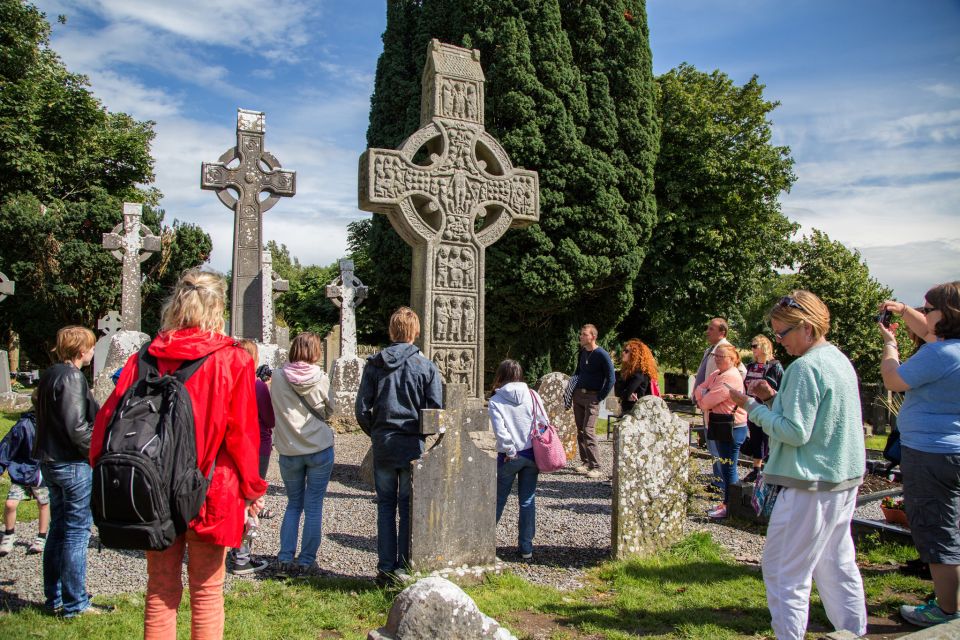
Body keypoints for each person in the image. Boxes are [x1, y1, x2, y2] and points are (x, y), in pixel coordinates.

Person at [92, 270, 266, 638]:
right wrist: (252, 489)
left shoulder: (146, 357)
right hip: (211, 487)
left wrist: (110, 474)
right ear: (218, 306)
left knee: (160, 590)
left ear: (177, 303)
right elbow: (242, 437)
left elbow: (108, 421)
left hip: (151, 484)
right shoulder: (232, 360)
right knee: (206, 591)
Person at [729, 291, 867, 640]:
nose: (779, 341)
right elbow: (818, 419)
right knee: (836, 566)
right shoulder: (836, 359)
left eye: (783, 333)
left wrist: (751, 406)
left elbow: (795, 432)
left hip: (808, 483)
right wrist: (773, 398)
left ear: (806, 328)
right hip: (840, 479)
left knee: (783, 572)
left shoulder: (804, 368)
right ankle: (854, 632)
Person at [878, 281, 960, 628]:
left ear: (948, 313)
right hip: (951, 450)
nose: (922, 315)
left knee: (937, 530)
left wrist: (890, 346)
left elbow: (893, 381)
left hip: (930, 453)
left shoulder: (938, 355)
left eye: (928, 309)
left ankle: (946, 611)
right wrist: (902, 310)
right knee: (953, 524)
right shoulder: (952, 350)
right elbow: (928, 332)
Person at [355, 307, 442, 586]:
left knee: (385, 506)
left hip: (384, 443)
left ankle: (385, 568)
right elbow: (434, 414)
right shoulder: (426, 367)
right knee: (406, 507)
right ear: (415, 332)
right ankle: (404, 567)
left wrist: (377, 432)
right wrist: (420, 435)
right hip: (410, 444)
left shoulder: (375, 364)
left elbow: (361, 409)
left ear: (392, 331)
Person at [34, 325, 102, 617]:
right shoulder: (73, 377)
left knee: (58, 530)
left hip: (50, 460)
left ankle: (56, 598)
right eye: (90, 346)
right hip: (72, 462)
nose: (92, 351)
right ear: (80, 350)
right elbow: (76, 428)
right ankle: (76, 603)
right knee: (76, 533)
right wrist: (96, 452)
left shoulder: (49, 374)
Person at [270, 331, 335, 577]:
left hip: (289, 449)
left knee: (293, 504)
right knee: (314, 506)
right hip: (319, 448)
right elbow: (330, 411)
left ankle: (285, 559)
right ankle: (306, 561)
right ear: (315, 352)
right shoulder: (321, 378)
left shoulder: (277, 377)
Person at [489, 359, 544, 561]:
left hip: (509, 457)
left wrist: (511, 451)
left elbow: (500, 432)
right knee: (527, 501)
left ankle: (484, 543)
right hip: (532, 455)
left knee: (498, 500)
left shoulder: (496, 400)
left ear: (501, 375)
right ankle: (526, 548)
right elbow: (543, 422)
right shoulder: (533, 395)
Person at [227, 339, 273, 576]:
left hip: (231, 448)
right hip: (257, 447)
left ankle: (234, 550)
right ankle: (242, 557)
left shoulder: (226, 382)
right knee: (252, 502)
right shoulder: (257, 385)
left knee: (237, 500)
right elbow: (270, 419)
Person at [693, 343, 747, 519]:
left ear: (732, 359)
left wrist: (704, 396)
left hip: (731, 427)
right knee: (724, 466)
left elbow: (706, 401)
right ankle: (728, 503)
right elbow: (699, 389)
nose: (716, 359)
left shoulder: (730, 377)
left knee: (728, 467)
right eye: (715, 356)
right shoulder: (716, 374)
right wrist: (703, 394)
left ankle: (731, 506)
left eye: (720, 356)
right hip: (718, 424)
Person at [0, 411, 50, 556]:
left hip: (40, 473)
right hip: (23, 471)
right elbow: (7, 447)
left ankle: (41, 536)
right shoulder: (24, 425)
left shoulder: (51, 422)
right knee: (10, 504)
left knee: (43, 503)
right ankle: (9, 534)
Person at [570, 324, 615, 479]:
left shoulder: (602, 354)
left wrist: (600, 397)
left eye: (584, 334)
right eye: (581, 334)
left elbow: (611, 378)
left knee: (588, 429)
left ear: (593, 337)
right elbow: (578, 371)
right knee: (580, 430)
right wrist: (571, 390)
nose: (581, 337)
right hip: (579, 395)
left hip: (592, 396)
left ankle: (596, 466)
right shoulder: (582, 352)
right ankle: (585, 462)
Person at [741, 335, 784, 483]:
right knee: (756, 438)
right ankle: (756, 469)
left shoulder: (774, 366)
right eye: (752, 346)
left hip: (768, 407)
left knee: (767, 439)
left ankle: (768, 469)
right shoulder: (751, 366)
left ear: (763, 347)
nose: (752, 349)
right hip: (752, 406)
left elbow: (780, 387)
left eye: (755, 346)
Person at [614, 339, 658, 415]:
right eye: (624, 350)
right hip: (629, 410)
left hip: (635, 413)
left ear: (635, 355)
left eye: (626, 351)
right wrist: (625, 394)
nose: (623, 353)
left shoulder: (639, 374)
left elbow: (624, 394)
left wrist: (625, 394)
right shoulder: (629, 372)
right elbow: (618, 393)